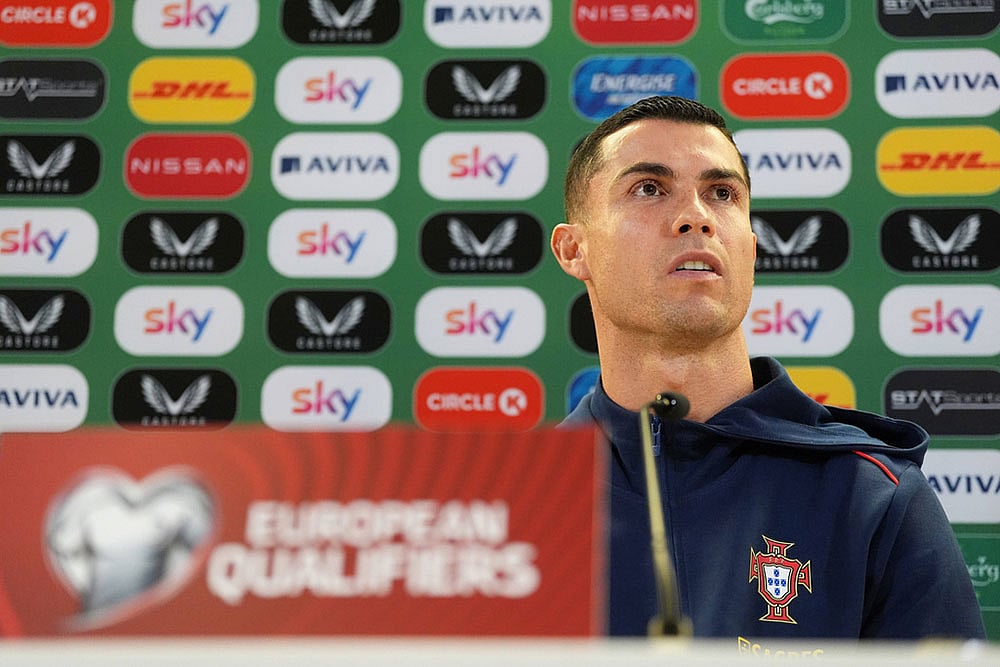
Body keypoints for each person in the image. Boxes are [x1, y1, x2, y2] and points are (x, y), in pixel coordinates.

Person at [550, 95, 986, 641]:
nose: (696, 217)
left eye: (722, 193)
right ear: (574, 250)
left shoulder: (872, 496)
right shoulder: (516, 505)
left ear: (750, 249)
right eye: (649, 188)